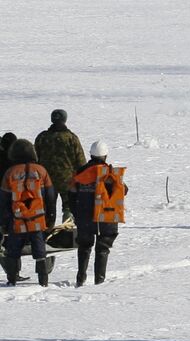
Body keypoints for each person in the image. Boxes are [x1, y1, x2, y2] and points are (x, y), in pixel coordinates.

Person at [69, 140, 127, 286]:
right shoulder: (110, 174)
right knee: (103, 248)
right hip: (106, 217)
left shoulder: (80, 173)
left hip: (84, 216)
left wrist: (76, 213)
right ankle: (99, 282)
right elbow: (123, 190)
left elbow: (71, 194)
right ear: (106, 156)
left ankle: (80, 279)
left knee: (84, 246)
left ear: (91, 154)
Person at [1, 139, 58, 286]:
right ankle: (43, 280)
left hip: (17, 220)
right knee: (40, 249)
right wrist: (51, 218)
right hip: (37, 219)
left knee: (13, 250)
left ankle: (11, 279)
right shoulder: (41, 171)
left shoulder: (10, 173)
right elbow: (51, 196)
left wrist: (4, 222)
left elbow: (4, 200)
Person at [34, 109, 84, 221]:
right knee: (68, 208)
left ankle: (46, 230)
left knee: (47, 207)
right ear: (64, 119)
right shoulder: (71, 138)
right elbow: (80, 162)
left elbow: (35, 159)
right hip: (68, 181)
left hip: (46, 181)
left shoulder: (42, 137)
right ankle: (67, 231)